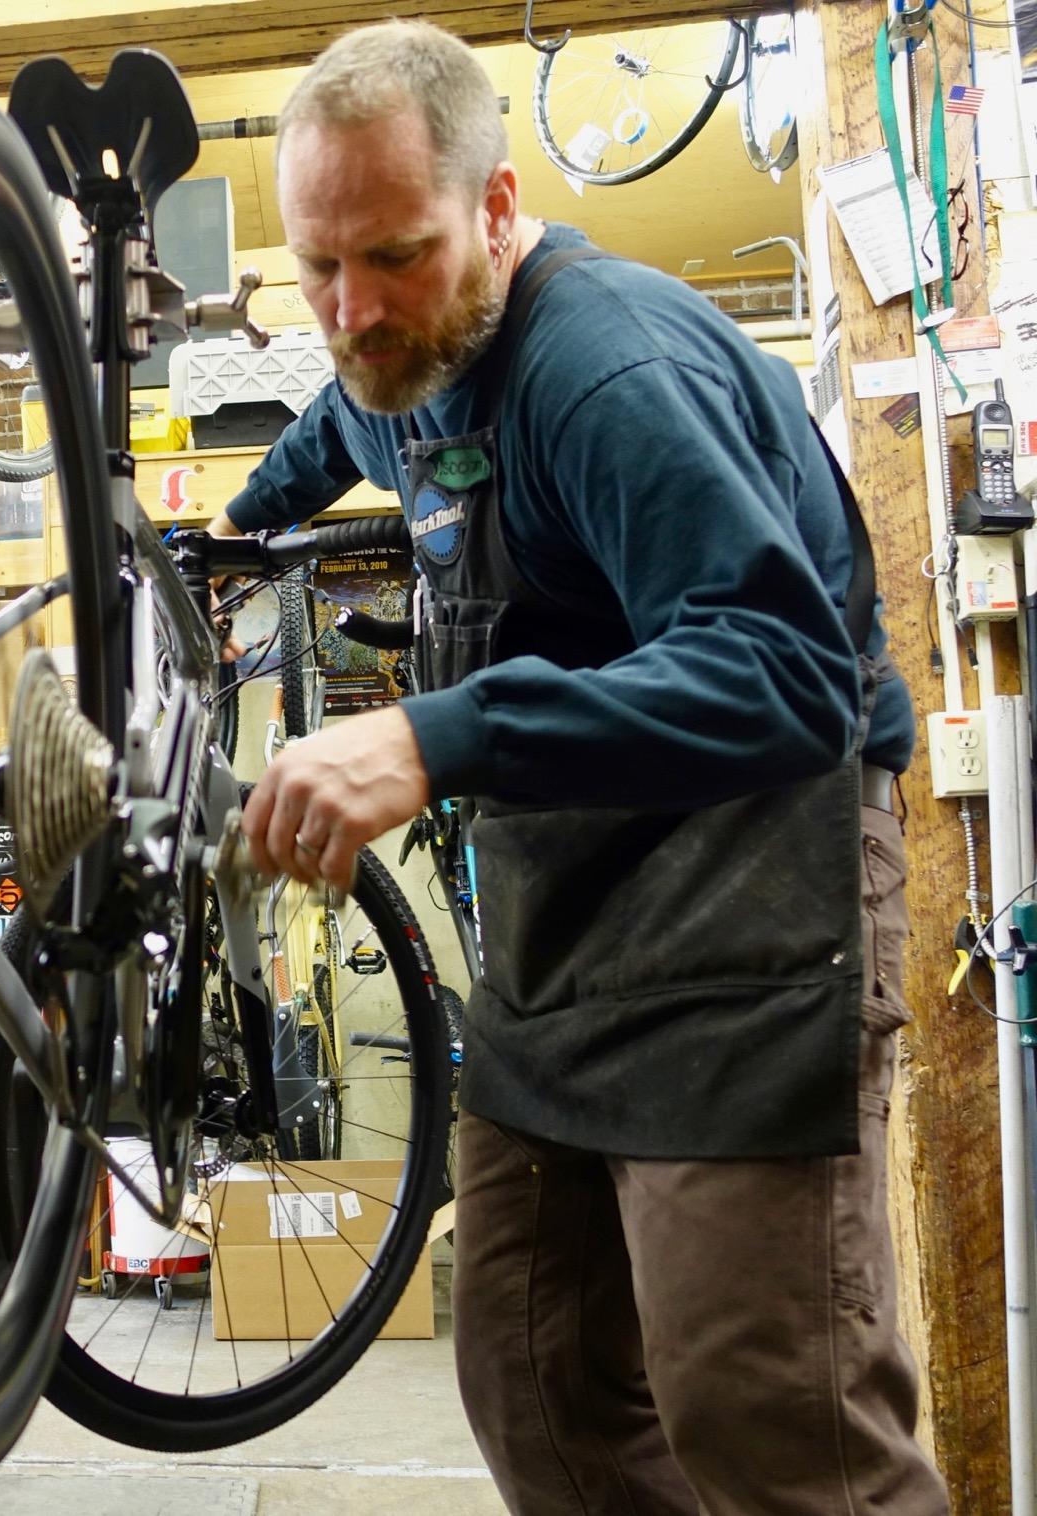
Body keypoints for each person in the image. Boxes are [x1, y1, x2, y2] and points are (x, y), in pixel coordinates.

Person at [219, 20, 950, 1515]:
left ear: (496, 210)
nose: (353, 311)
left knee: (764, 1410)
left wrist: (436, 736)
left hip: (753, 887)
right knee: (535, 1378)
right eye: (316, 268)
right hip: (574, 908)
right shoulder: (398, 346)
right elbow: (338, 417)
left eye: (395, 258)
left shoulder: (608, 370)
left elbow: (791, 675)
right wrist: (224, 526)